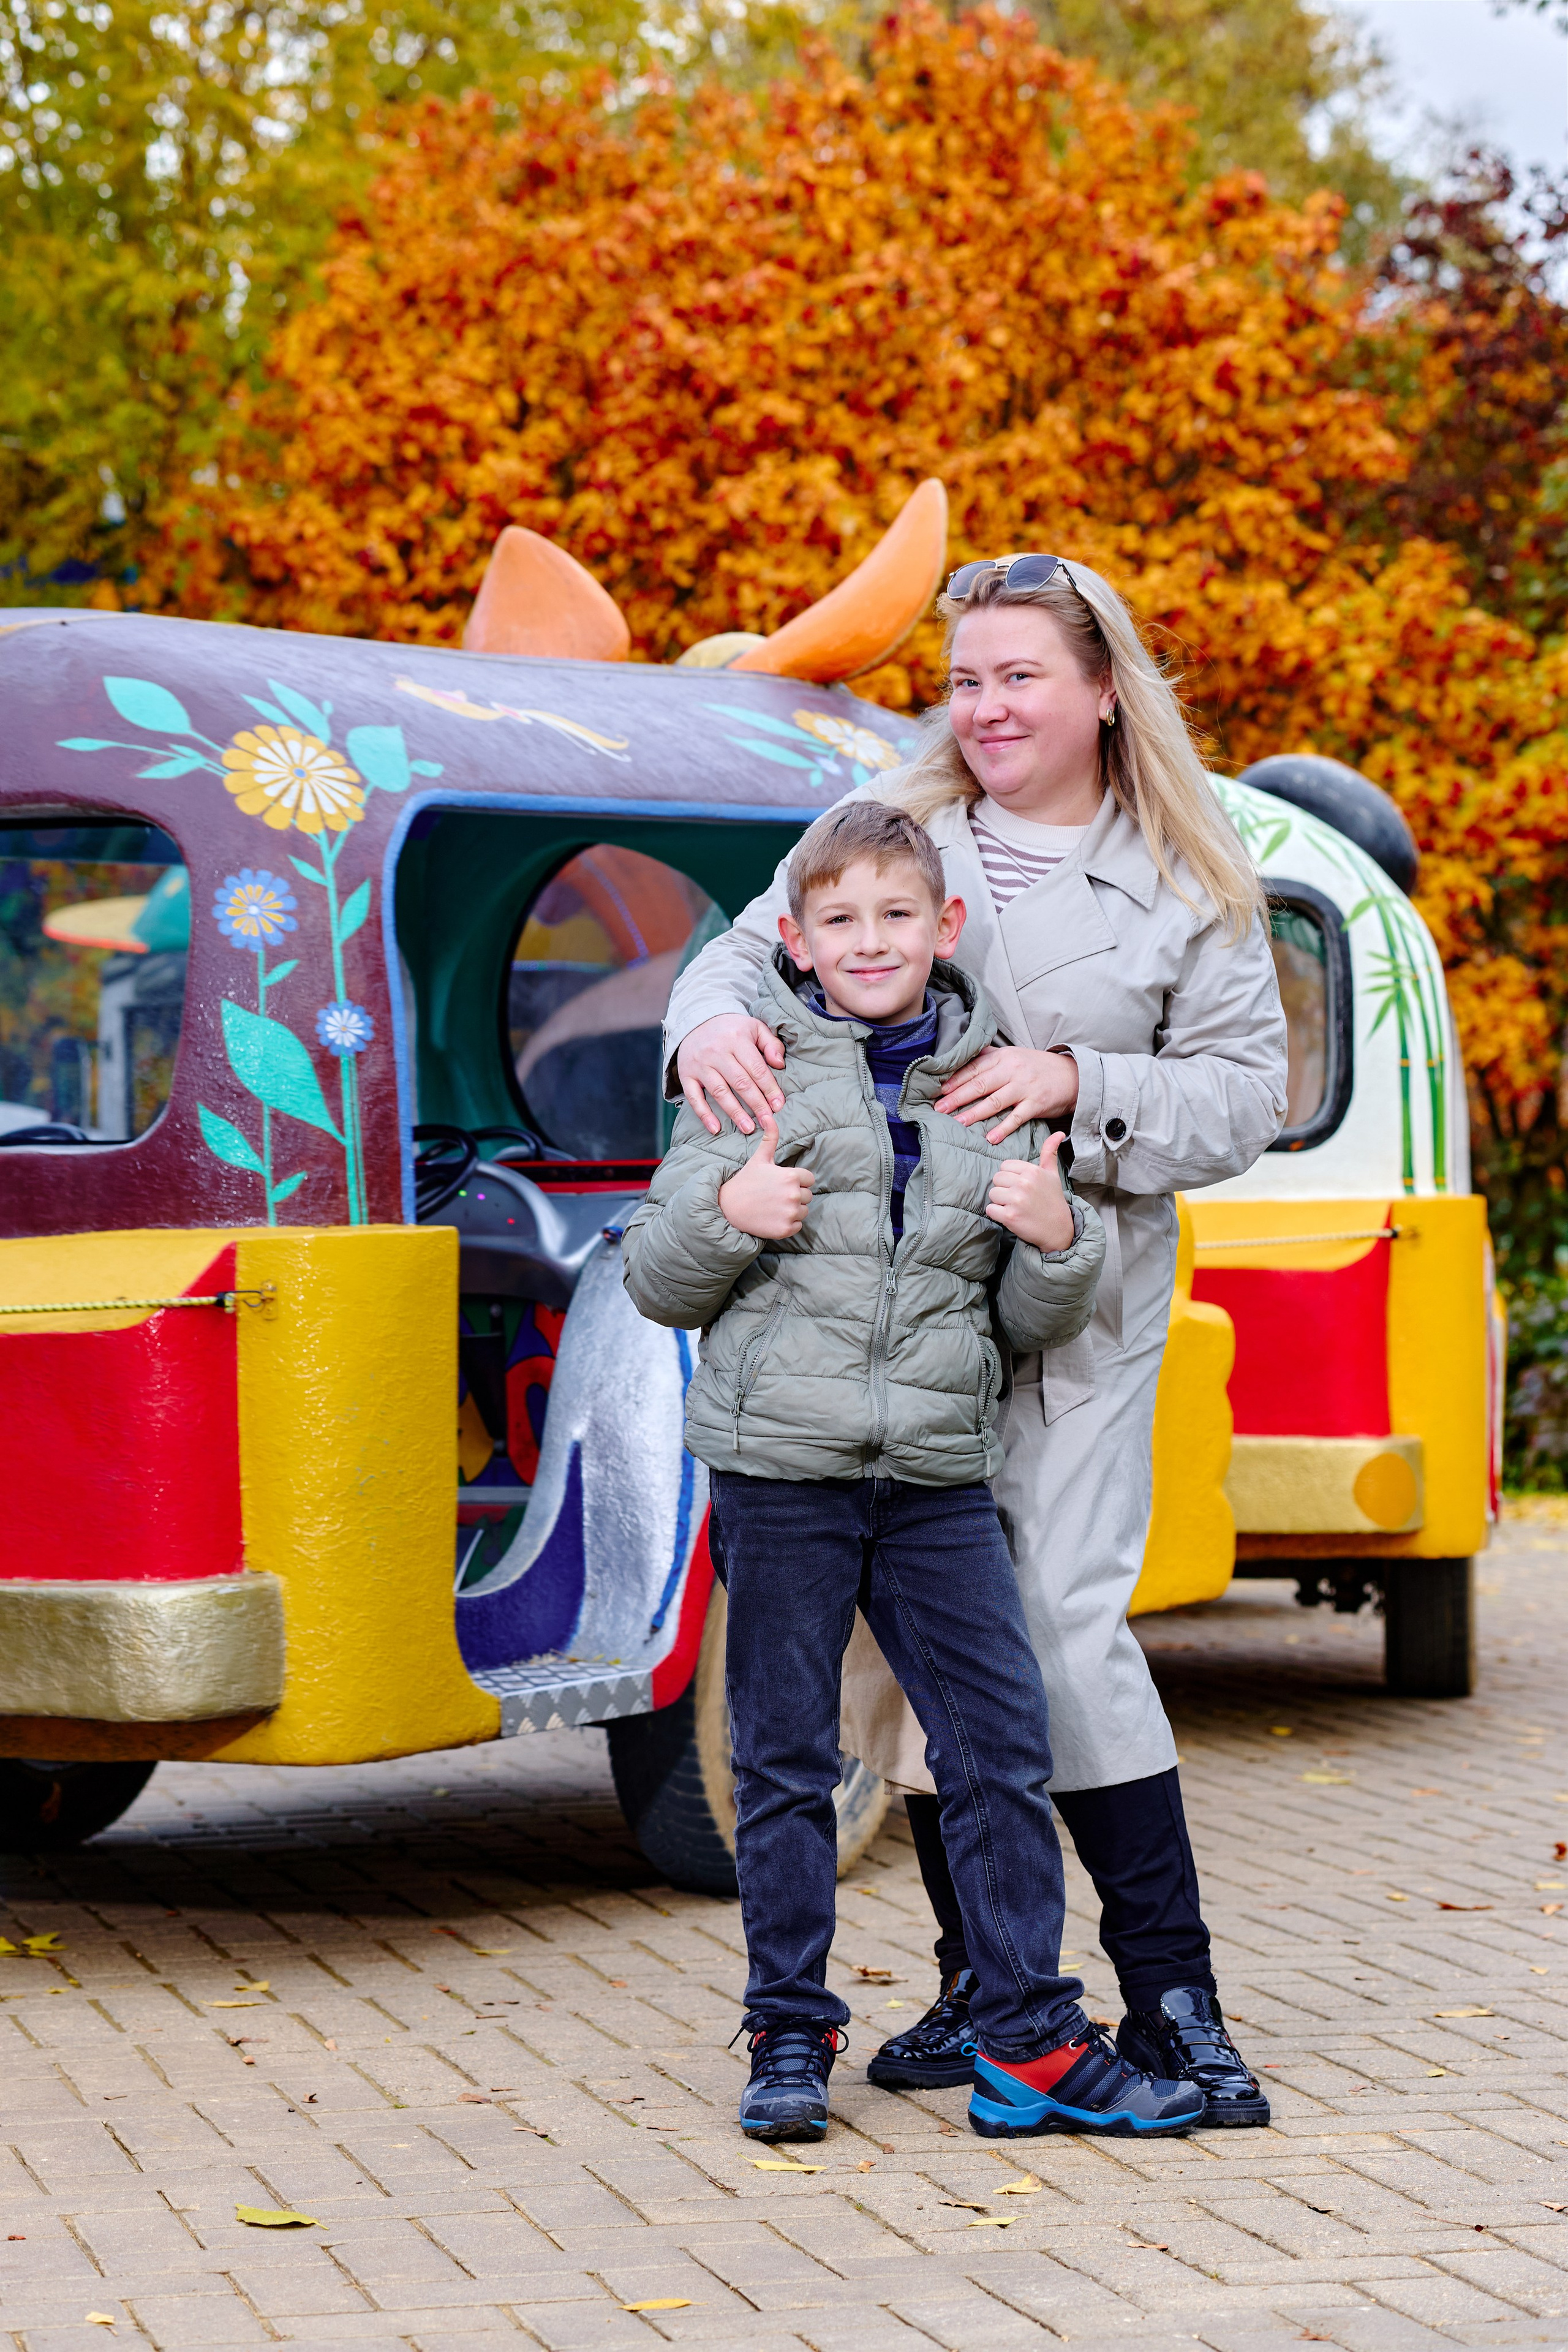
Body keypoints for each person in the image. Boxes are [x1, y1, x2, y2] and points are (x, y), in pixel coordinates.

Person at [663, 554, 1289, 2128]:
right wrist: (703, 1022)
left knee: (1058, 1634)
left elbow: (1244, 1095)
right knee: (929, 1655)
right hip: (879, 1299)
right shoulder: (900, 827)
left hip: (1067, 1282)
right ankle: (982, 1988)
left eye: (1019, 675)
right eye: (964, 679)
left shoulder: (1185, 876)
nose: (987, 706)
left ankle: (1173, 1997)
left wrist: (1079, 1082)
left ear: (1097, 688)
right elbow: (748, 950)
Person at [621, 798, 1204, 2147]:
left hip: (938, 1478)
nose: (868, 942)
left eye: (895, 916)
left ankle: (1029, 2045)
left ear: (944, 929)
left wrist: (1058, 1244)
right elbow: (656, 1277)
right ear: (796, 935)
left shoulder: (988, 1086)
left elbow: (1017, 1322)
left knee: (997, 1751)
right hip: (783, 1476)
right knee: (781, 1763)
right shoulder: (749, 1072)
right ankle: (784, 2034)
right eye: (839, 920)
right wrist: (726, 1215)